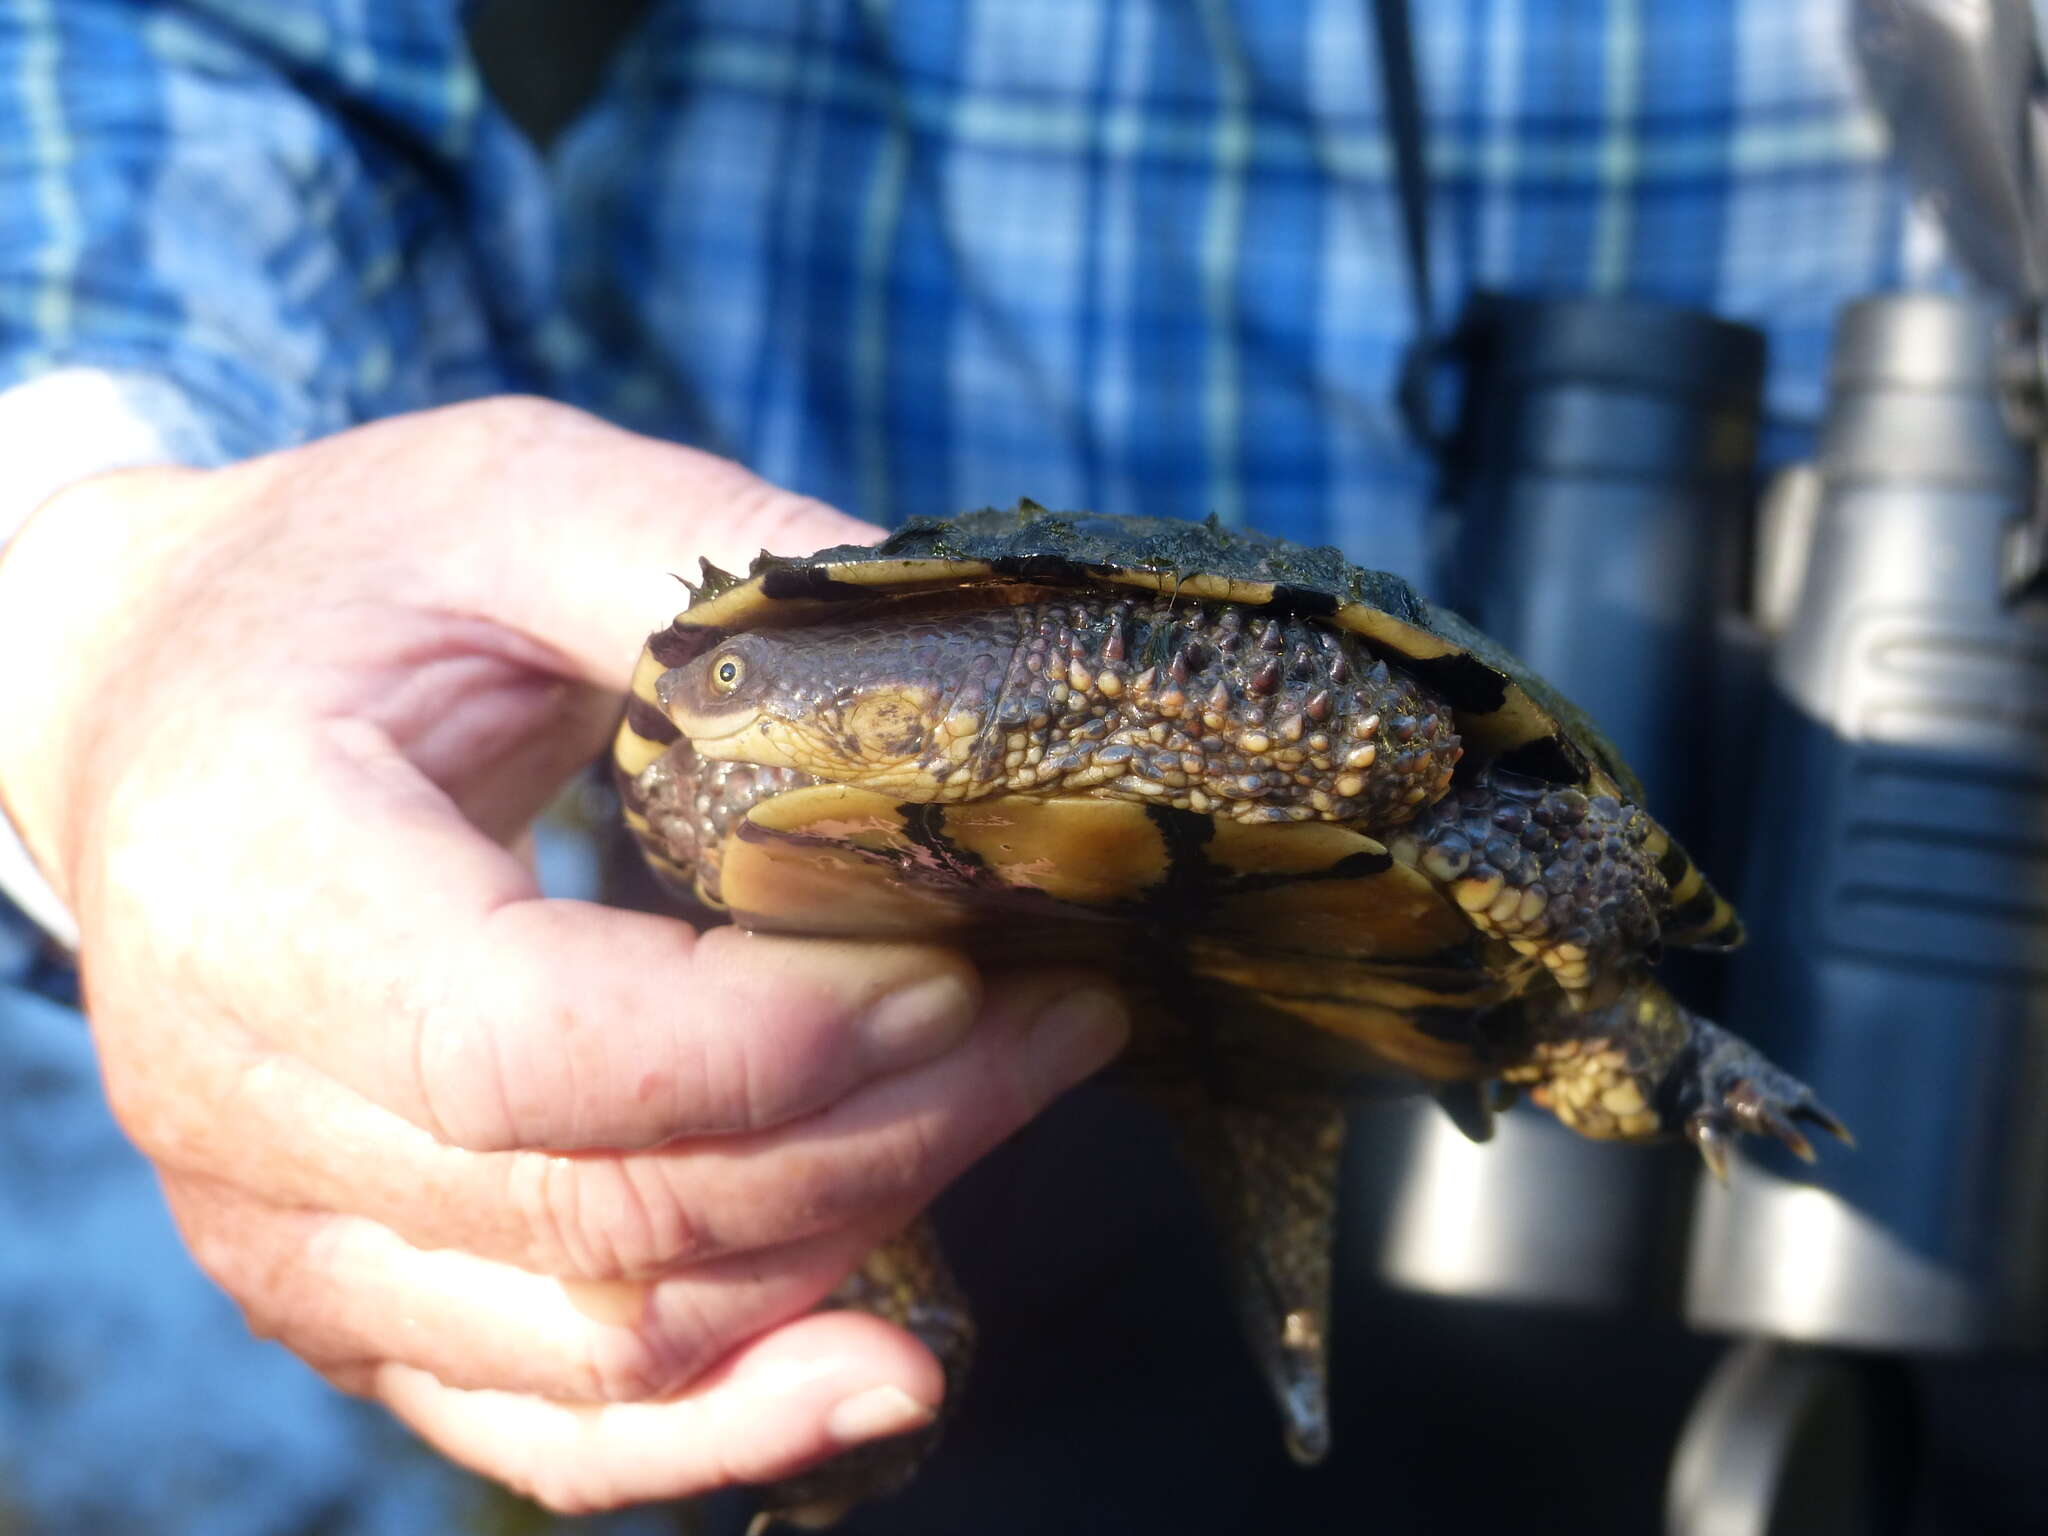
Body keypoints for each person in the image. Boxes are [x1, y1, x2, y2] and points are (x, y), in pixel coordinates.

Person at [0, 0, 1945, 1523]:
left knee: (1620, 995)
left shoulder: (1123, 678)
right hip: (941, 1096)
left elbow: (1343, 709)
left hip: (1904, 874)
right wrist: (99, 590)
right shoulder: (771, 714)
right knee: (905, 1326)